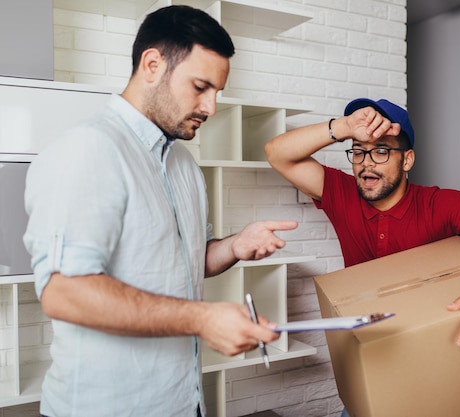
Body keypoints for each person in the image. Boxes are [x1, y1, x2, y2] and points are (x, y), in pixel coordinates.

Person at [23, 6, 293, 417]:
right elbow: (65, 292)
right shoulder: (87, 150)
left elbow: (185, 261)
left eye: (217, 91)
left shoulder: (183, 164)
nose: (212, 107)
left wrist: (236, 246)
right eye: (201, 86)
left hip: (183, 403)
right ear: (152, 65)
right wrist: (203, 319)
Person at [265, 98, 460, 352]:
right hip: (368, 352)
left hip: (434, 351)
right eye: (359, 151)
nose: (366, 163)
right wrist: (345, 126)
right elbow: (276, 153)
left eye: (381, 151)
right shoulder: (342, 193)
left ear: (407, 160)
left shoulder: (439, 204)